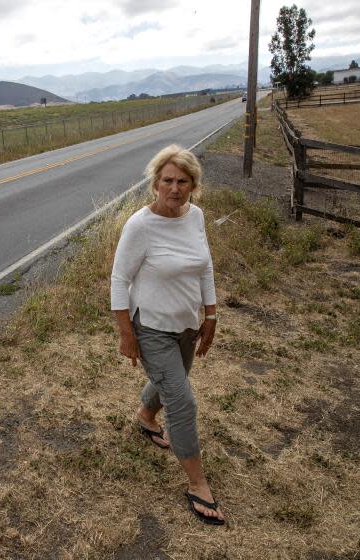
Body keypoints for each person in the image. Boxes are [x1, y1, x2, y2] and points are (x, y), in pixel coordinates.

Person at [110, 144, 224, 525]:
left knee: (174, 379)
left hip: (187, 324)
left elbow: (204, 268)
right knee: (182, 401)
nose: (174, 188)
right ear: (155, 183)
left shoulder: (196, 218)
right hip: (152, 327)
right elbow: (119, 279)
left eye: (183, 181)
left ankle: (145, 415)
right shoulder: (140, 225)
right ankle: (198, 484)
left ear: (193, 184)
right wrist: (126, 334)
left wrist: (210, 315)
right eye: (167, 180)